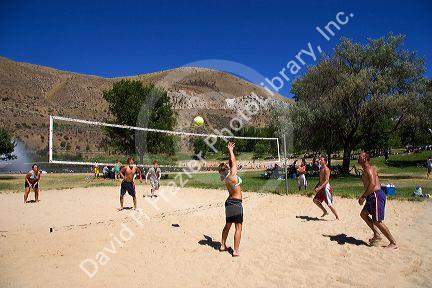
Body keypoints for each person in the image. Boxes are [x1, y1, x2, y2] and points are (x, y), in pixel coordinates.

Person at [358, 151, 397, 249]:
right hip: (371, 196)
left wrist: (363, 196)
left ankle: (393, 242)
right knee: (363, 214)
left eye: (361, 156)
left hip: (376, 195)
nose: (358, 157)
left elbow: (372, 184)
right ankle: (377, 234)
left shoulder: (369, 169)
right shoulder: (365, 170)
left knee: (377, 221)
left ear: (365, 158)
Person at [219, 142, 243, 257]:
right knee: (238, 227)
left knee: (228, 225)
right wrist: (231, 150)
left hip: (228, 202)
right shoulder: (233, 174)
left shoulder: (225, 178)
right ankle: (235, 251)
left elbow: (231, 162)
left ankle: (222, 245)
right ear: (228, 169)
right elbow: (233, 161)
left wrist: (230, 155)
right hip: (237, 203)